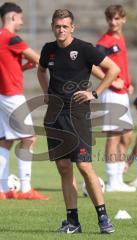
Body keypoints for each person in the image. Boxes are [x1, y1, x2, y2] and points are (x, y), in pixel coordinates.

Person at [37, 9, 120, 234]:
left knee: (84, 166)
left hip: (77, 115)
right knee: (64, 168)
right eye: (57, 26)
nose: (61, 30)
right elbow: (41, 70)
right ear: (52, 26)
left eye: (65, 26)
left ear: (72, 27)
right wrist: (46, 94)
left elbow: (113, 69)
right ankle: (73, 222)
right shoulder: (48, 50)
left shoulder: (84, 49)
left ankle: (103, 217)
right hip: (54, 116)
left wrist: (95, 93)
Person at [0, 2, 48, 200]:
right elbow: (39, 59)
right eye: (20, 18)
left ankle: (3, 190)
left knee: (5, 141)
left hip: (2, 94)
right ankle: (26, 188)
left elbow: (8, 68)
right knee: (29, 138)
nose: (22, 21)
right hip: (12, 94)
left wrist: (25, 67)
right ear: (12, 17)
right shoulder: (11, 38)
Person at [96, 4, 136, 192]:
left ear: (123, 19)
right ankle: (112, 181)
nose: (113, 22)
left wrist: (127, 83)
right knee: (113, 137)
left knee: (126, 136)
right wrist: (111, 81)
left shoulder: (121, 38)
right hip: (111, 94)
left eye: (117, 18)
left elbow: (121, 65)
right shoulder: (104, 42)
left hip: (122, 94)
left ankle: (118, 178)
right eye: (110, 19)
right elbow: (92, 64)